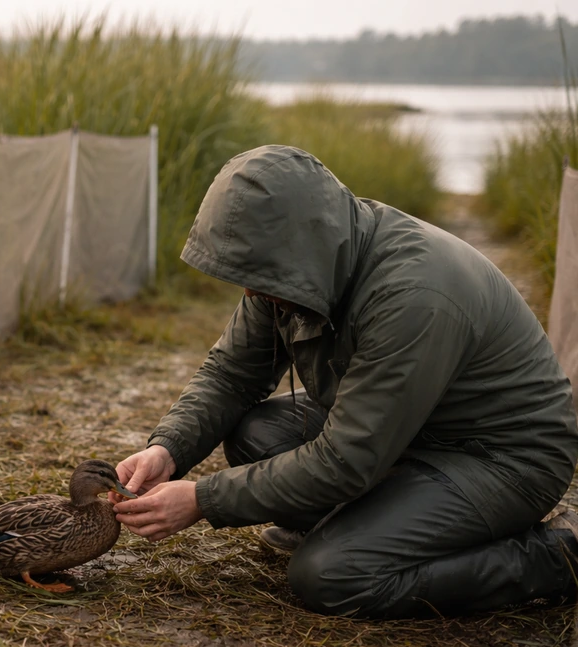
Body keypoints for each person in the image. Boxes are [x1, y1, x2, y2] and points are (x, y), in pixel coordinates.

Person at [112, 145, 578, 619]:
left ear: (303, 241)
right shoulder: (288, 271)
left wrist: (203, 500)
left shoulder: (413, 295)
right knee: (258, 436)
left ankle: (557, 557)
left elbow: (345, 460)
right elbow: (231, 375)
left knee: (332, 576)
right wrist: (167, 449)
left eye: (255, 275)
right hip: (405, 434)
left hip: (501, 457)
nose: (249, 291)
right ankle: (362, 526)